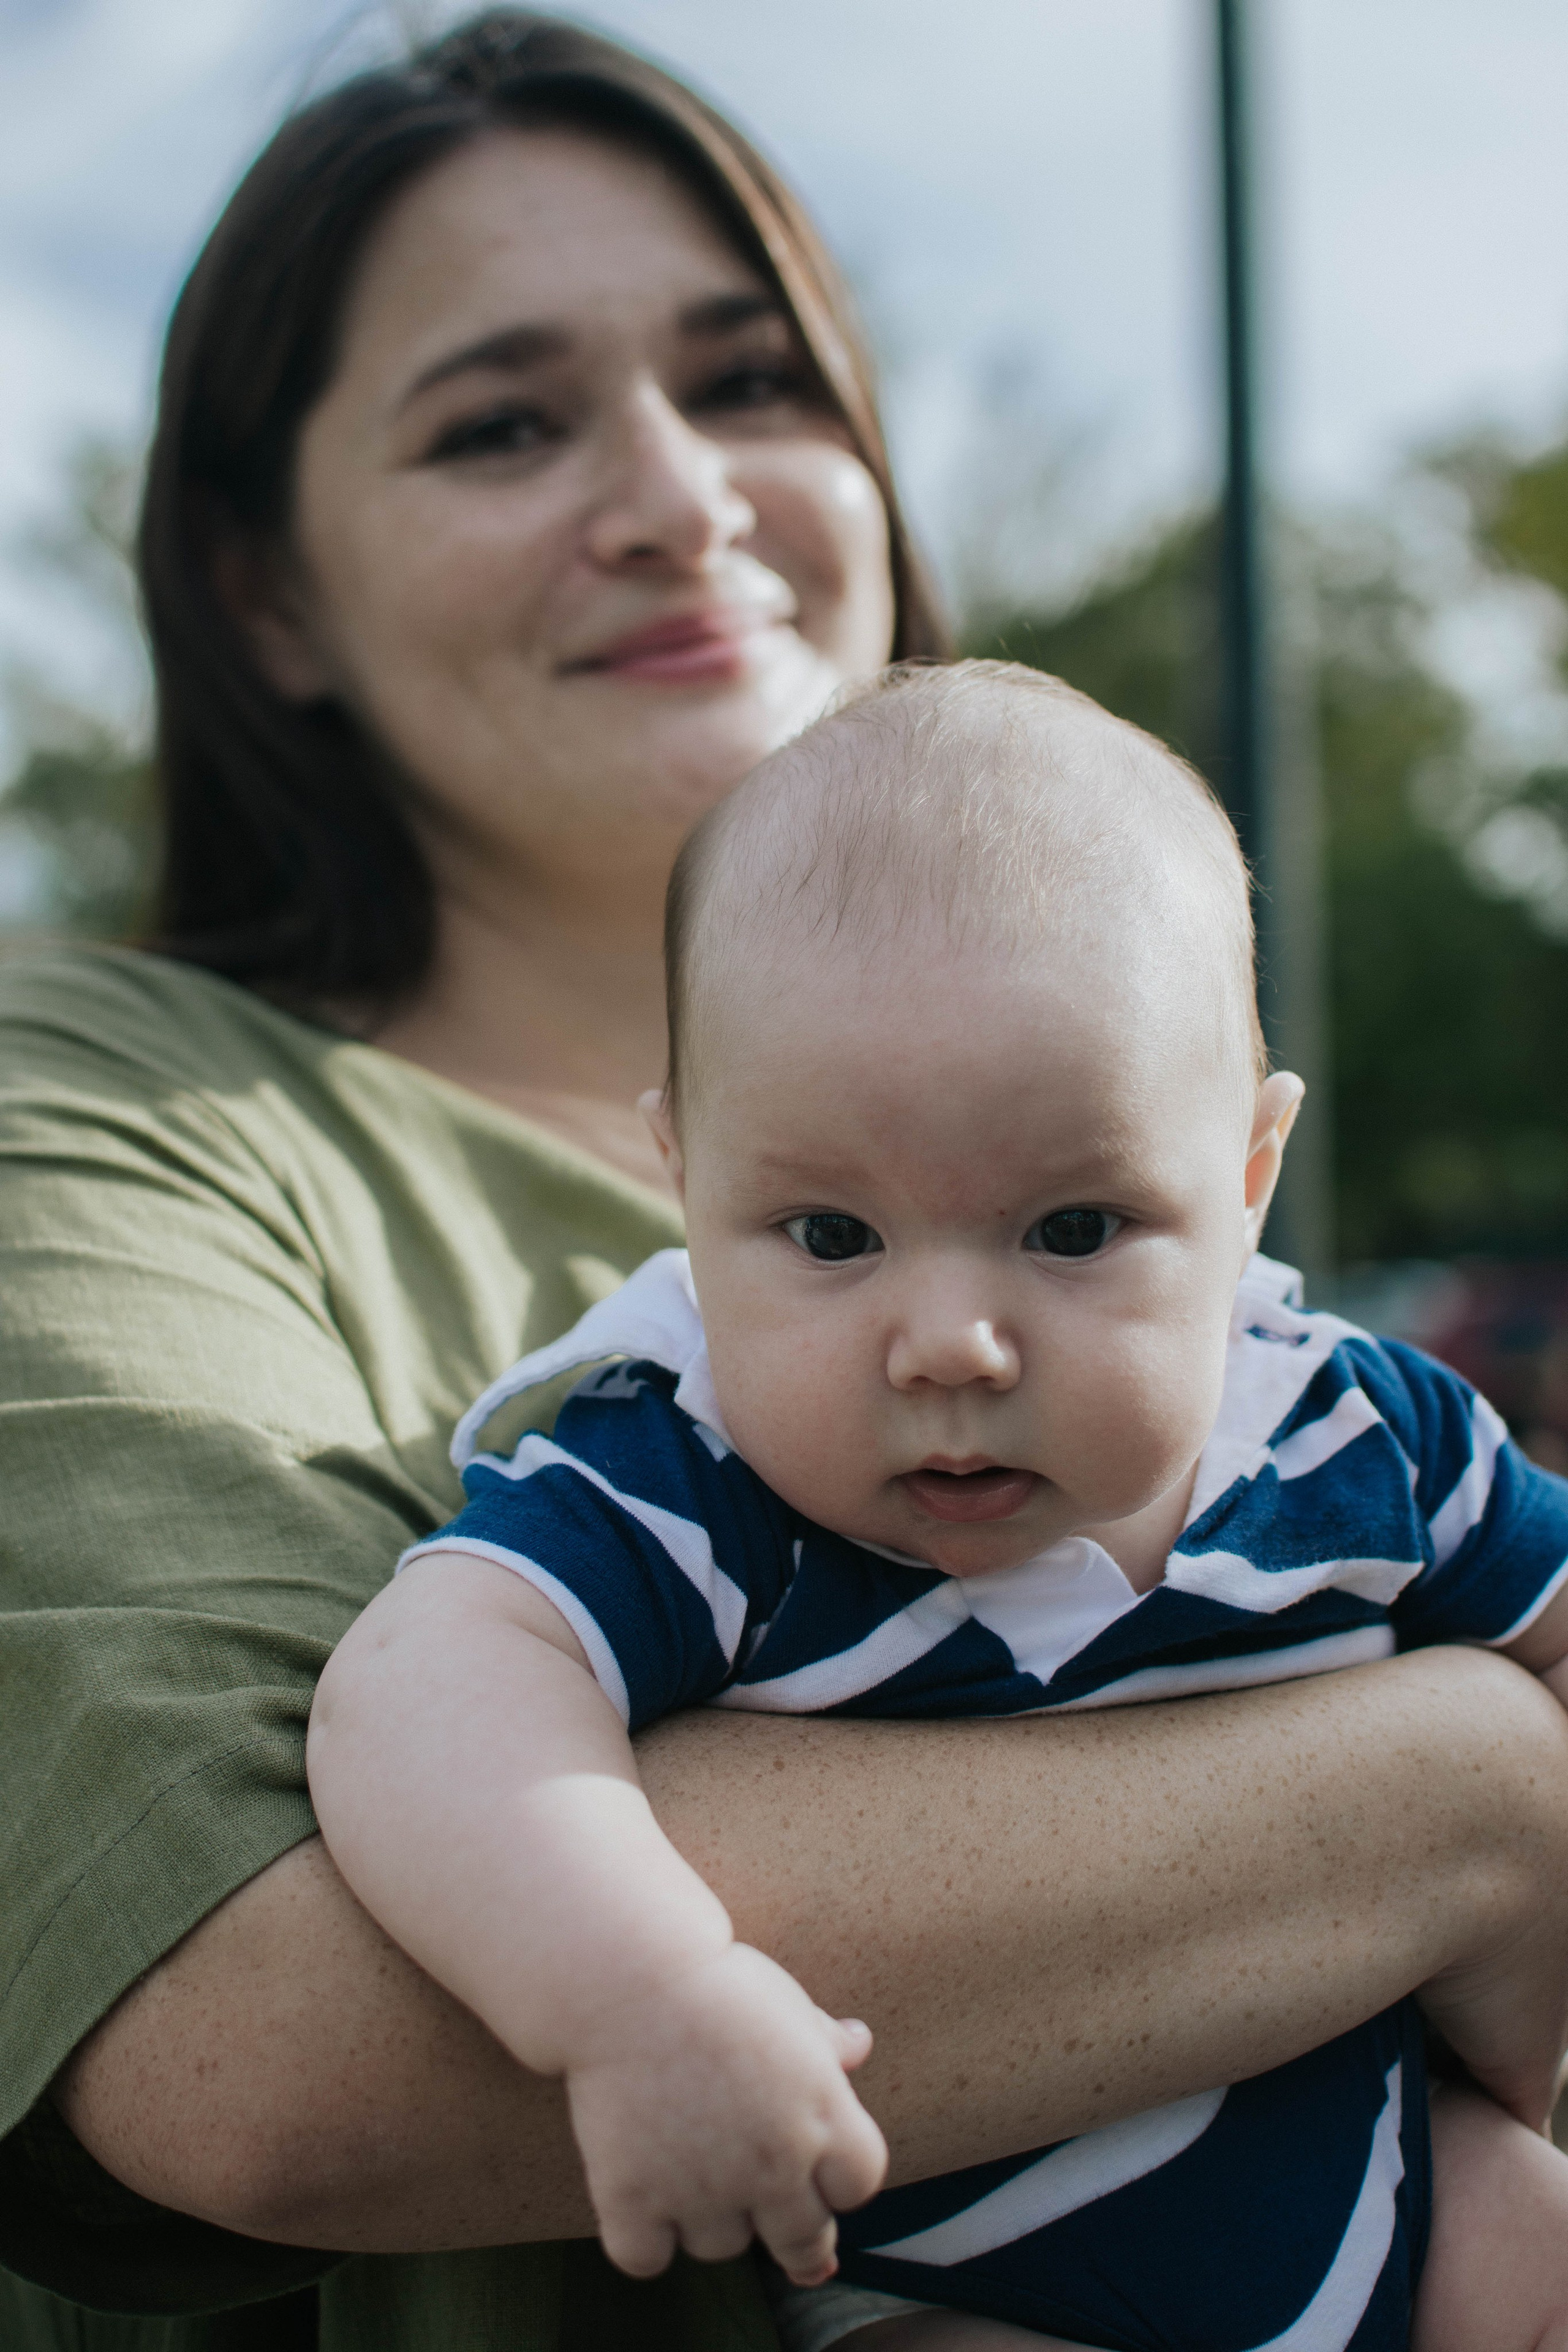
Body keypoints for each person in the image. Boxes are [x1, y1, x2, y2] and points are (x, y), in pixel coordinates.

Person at [4, 15, 1568, 2352]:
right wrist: (1462, 1798)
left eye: (754, 384)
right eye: (504, 421)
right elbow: (276, 2043)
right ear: (265, 596)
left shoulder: (1317, 1404)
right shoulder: (117, 1111)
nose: (678, 493)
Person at [307, 663, 1568, 2352]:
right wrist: (631, 1988)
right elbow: (425, 1696)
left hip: (1410, 2192)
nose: (952, 1344)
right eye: (830, 1237)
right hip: (972, 2284)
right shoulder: (693, 1480)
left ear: (1247, 1172)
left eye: (1072, 1230)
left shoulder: (1351, 1426)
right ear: (687, 1185)